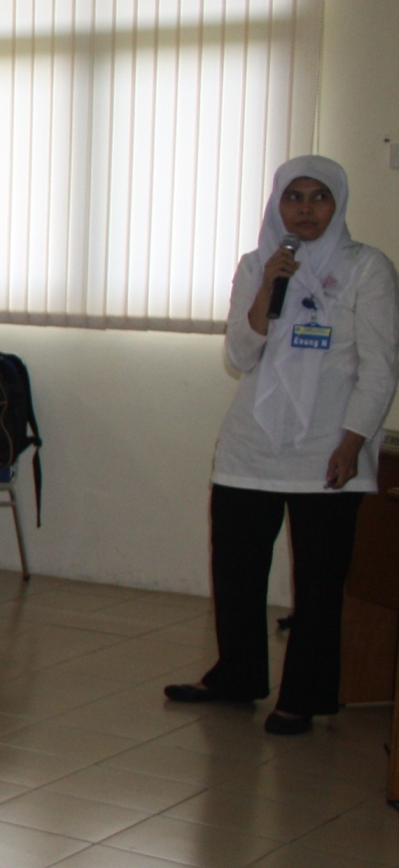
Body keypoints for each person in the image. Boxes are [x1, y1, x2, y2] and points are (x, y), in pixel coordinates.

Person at [166, 157, 397, 735]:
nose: (305, 209)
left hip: (328, 447)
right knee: (236, 572)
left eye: (319, 197)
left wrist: (353, 443)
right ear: (277, 203)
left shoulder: (366, 267)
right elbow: (240, 355)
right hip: (251, 446)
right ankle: (237, 676)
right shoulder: (258, 264)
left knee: (319, 583)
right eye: (294, 197)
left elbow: (380, 368)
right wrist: (270, 283)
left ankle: (305, 695)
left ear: (338, 203)